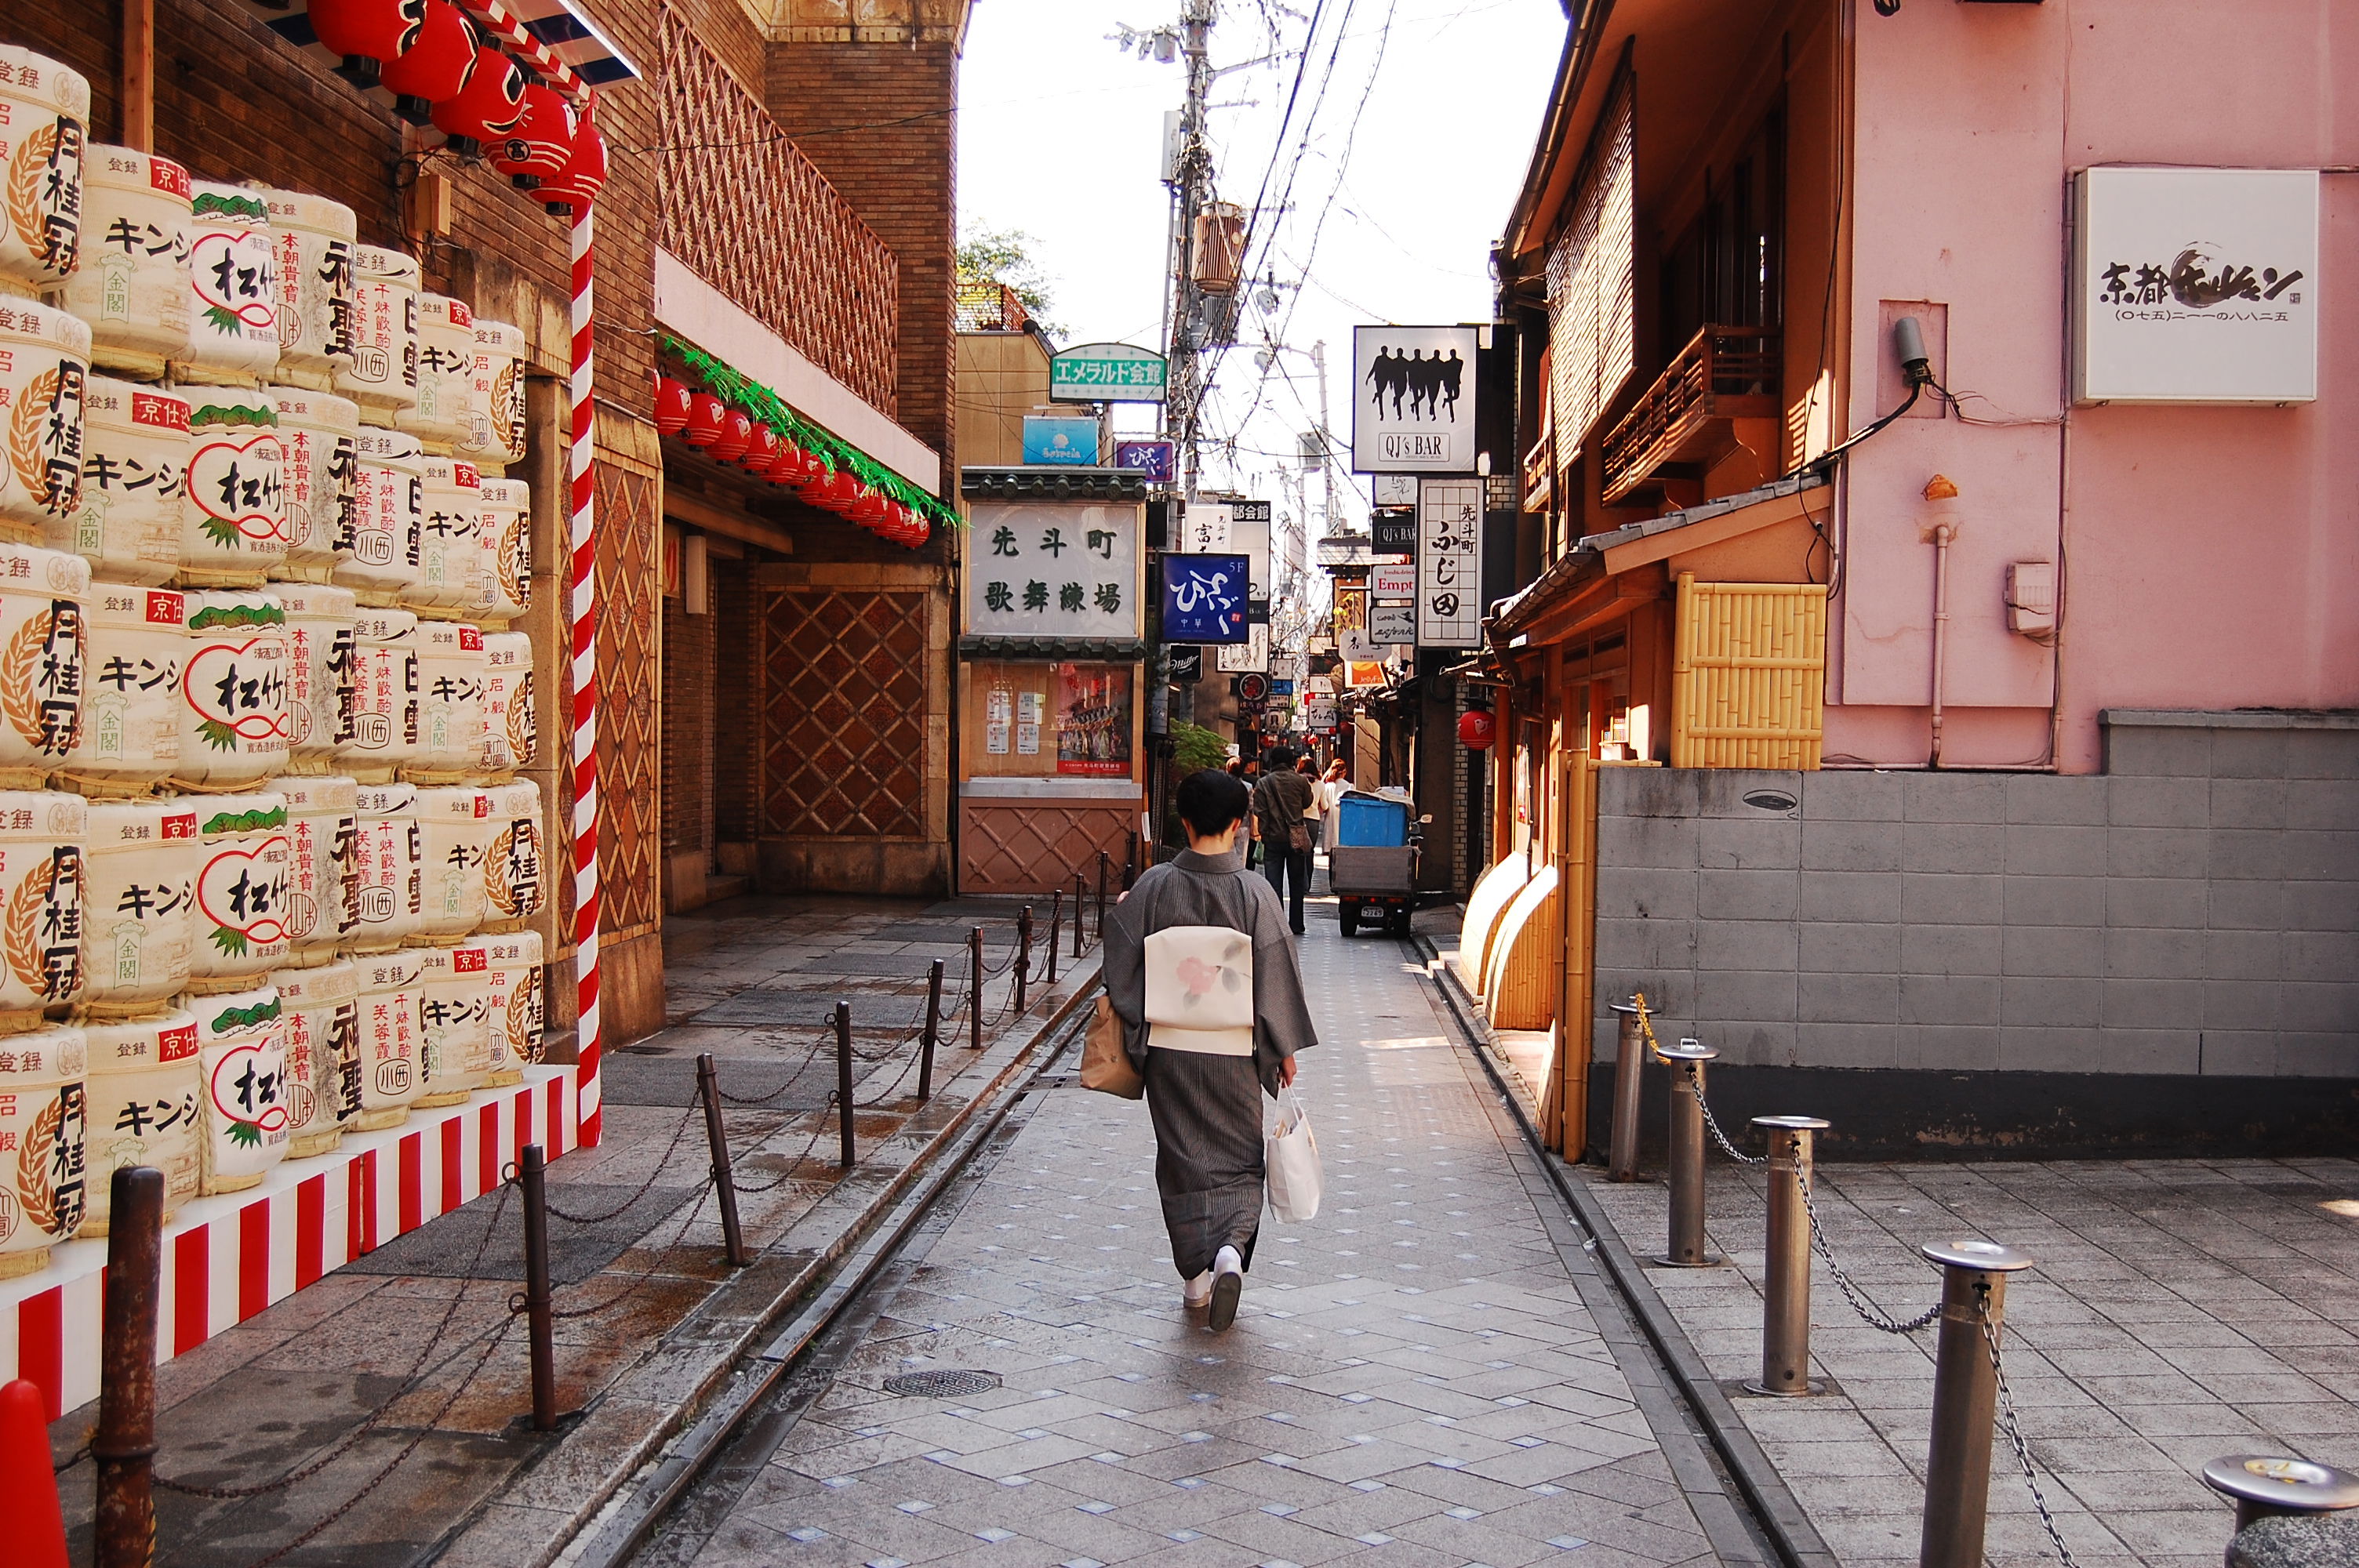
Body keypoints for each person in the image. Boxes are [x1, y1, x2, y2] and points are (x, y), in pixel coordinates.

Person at [1103, 769, 1317, 1330]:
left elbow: (1120, 951)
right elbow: (1274, 969)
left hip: (1172, 1052)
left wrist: (1126, 908)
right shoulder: (1254, 892)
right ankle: (1229, 1255)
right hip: (1237, 1053)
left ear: (1186, 821)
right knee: (1239, 1160)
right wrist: (1284, 1049)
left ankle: (1196, 1281)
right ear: (1241, 826)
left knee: (1181, 1161)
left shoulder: (1154, 885)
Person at [1250, 745, 1315, 935]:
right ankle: (1296, 924)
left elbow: (1259, 811)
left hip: (1272, 838)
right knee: (1296, 883)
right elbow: (1307, 802)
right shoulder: (1299, 781)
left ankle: (1277, 924)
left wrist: (1264, 831)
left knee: (1273, 884)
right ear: (1291, 762)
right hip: (1295, 838)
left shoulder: (1263, 783)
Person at [1316, 759, 1350, 851]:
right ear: (1344, 772)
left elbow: (1324, 805)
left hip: (1330, 820)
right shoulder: (1349, 786)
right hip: (1343, 820)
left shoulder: (1327, 786)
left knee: (1329, 846)